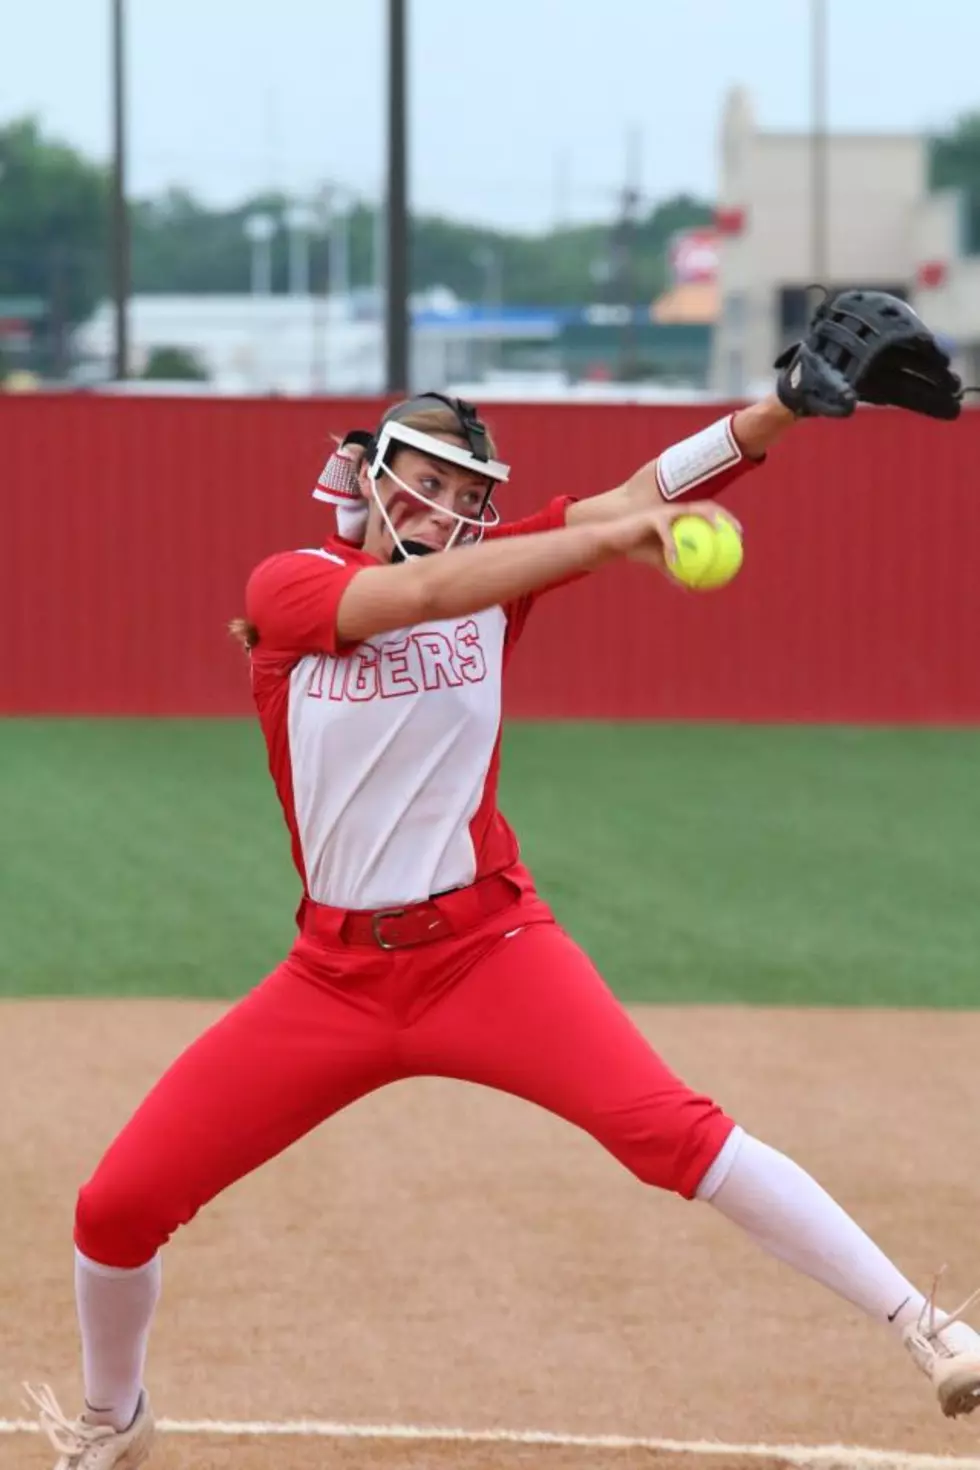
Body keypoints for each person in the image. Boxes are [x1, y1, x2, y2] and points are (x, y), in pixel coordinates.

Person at [25, 347, 980, 1469]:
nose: (452, 507)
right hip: (332, 977)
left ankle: (929, 1330)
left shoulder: (496, 577)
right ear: (370, 476)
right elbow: (438, 588)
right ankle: (112, 1422)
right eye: (427, 479)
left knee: (669, 1132)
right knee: (116, 1207)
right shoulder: (288, 585)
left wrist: (775, 410)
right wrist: (607, 539)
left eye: (472, 494)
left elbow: (641, 496)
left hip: (486, 948)